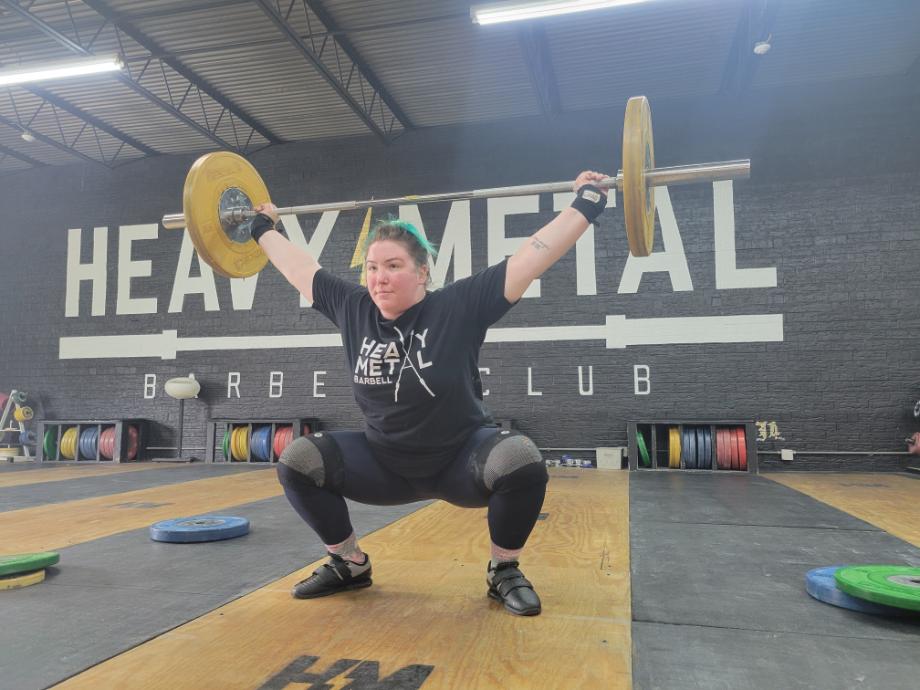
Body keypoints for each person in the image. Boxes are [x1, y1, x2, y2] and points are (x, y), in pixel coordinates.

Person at [250, 171, 610, 616]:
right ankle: (349, 563)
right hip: (383, 463)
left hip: (461, 460)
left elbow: (531, 257)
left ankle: (503, 570)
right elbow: (299, 268)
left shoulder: (457, 306)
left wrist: (586, 203)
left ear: (422, 273)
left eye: (394, 266)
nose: (379, 279)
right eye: (372, 268)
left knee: (519, 459)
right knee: (298, 461)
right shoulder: (352, 307)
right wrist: (264, 229)